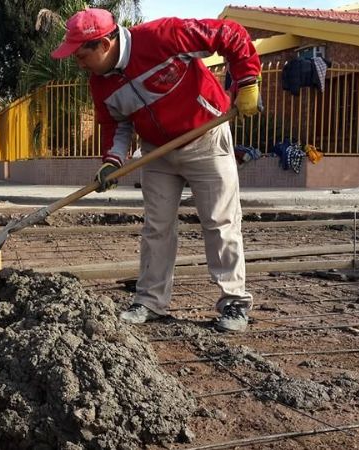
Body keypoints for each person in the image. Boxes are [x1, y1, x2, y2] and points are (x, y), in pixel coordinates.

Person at [51, 8, 261, 332]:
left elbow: (229, 33)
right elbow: (115, 124)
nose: (79, 65)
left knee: (220, 222)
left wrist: (247, 81)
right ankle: (150, 301)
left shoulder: (163, 37)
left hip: (204, 138)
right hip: (156, 154)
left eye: (82, 56)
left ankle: (234, 303)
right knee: (156, 227)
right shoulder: (99, 84)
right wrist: (112, 161)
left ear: (104, 45)